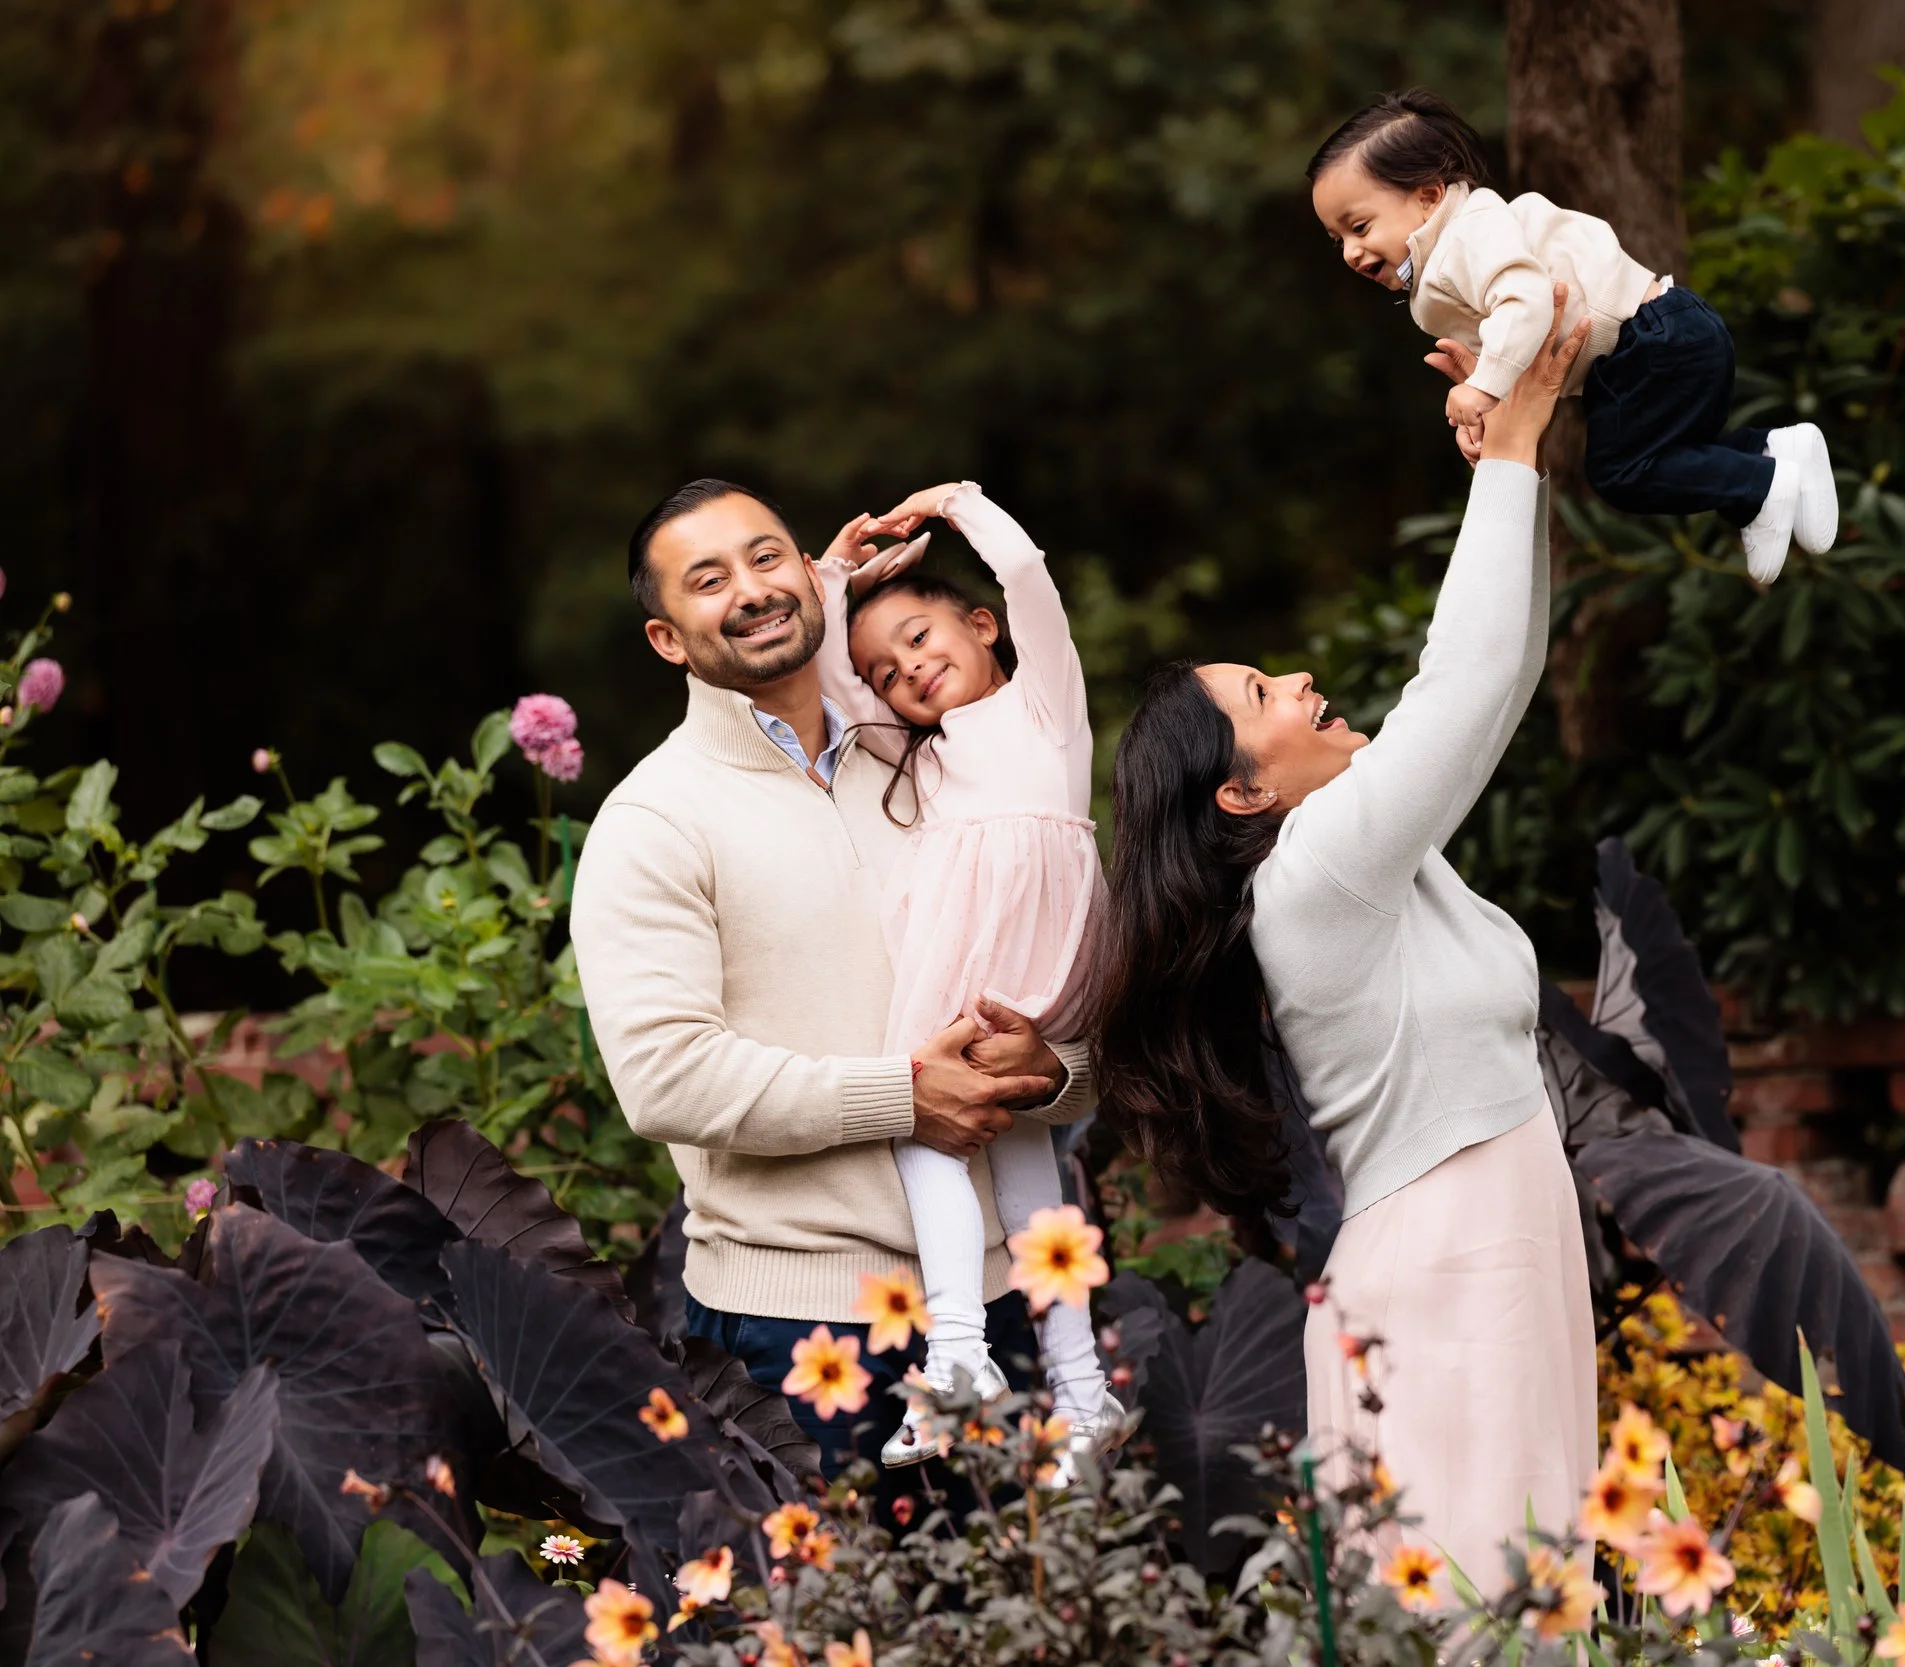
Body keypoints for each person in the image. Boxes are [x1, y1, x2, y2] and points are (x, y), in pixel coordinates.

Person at [1095, 286, 1597, 1594]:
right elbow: (1469, 678)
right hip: (1448, 1269)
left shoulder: (1363, 863)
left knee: (1536, 1596)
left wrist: (1519, 454)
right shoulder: (1315, 877)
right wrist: (1506, 448)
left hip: (1493, 1245)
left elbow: (1505, 675)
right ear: (1241, 792)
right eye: (1266, 693)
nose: (1305, 680)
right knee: (1488, 1602)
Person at [570, 478, 1097, 1495]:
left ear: (811, 574)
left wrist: (1055, 1070)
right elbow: (667, 1081)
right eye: (708, 578)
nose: (753, 589)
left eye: (768, 557)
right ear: (667, 638)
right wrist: (906, 1092)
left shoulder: (937, 760)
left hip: (1001, 1303)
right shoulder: (654, 821)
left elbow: (1062, 995)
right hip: (801, 1325)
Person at [809, 481, 1118, 1465]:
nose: (908, 670)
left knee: (923, 1131)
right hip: (992, 965)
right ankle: (1082, 1388)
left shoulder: (1044, 708)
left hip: (1010, 956)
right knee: (1029, 1172)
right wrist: (831, 576)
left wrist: (957, 505)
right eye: (888, 670)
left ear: (982, 625)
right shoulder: (917, 751)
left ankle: (957, 1355)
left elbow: (1027, 574)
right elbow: (832, 681)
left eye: (923, 637)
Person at [1307, 87, 1837, 584]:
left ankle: (1761, 487)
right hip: (1658, 339)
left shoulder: (1469, 234)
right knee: (1667, 452)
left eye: (1360, 227)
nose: (1351, 252)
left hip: (1650, 344)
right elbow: (1507, 346)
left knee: (1621, 472)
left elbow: (1526, 302)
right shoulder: (1449, 261)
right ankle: (1773, 452)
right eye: (1336, 240)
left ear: (1428, 197)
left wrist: (1482, 387)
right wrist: (1487, 414)